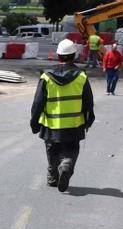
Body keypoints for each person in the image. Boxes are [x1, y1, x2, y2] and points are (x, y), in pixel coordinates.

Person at [30, 39, 95, 193]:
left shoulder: (46, 77)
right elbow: (88, 102)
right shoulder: (82, 77)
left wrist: (34, 122)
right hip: (74, 124)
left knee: (52, 149)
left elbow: (38, 102)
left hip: (51, 125)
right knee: (71, 149)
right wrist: (89, 119)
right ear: (74, 56)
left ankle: (53, 177)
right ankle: (66, 164)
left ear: (58, 56)